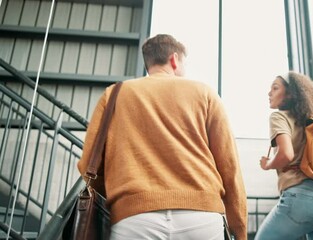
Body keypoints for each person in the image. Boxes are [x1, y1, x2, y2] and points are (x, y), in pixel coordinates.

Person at [78, 34, 247, 240]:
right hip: (202, 218)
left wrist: (122, 198)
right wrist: (239, 228)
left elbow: (88, 163)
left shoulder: (114, 94)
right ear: (174, 59)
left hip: (134, 219)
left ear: (148, 62)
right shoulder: (204, 92)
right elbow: (230, 167)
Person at [254, 72, 313, 239]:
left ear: (290, 94)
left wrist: (267, 164)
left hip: (301, 200)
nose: (269, 93)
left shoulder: (279, 116)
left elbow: (286, 154)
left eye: (275, 88)